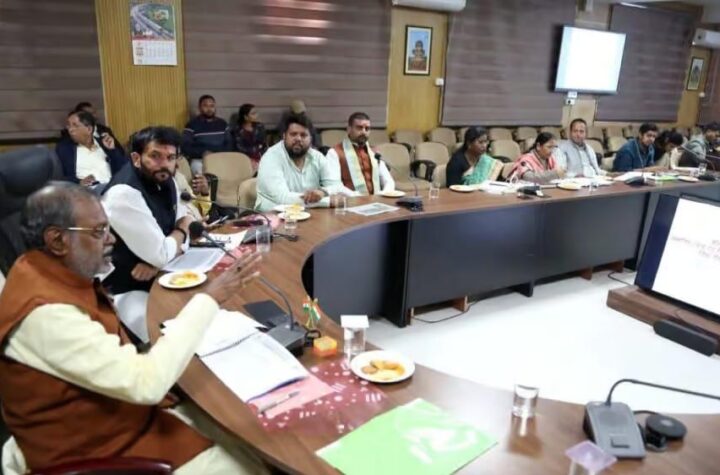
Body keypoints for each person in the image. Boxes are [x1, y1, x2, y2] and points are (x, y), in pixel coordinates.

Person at [0, 182, 266, 475]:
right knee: (257, 459)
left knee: (247, 427)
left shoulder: (36, 270)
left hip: (112, 416)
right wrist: (210, 298)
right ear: (58, 241)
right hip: (99, 451)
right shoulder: (46, 314)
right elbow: (146, 383)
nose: (111, 239)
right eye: (99, 231)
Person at [102, 126, 193, 340]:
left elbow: (185, 228)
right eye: (155, 156)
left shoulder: (167, 180)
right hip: (126, 287)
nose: (164, 164)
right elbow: (183, 228)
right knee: (174, 338)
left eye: (170, 157)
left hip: (162, 273)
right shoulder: (123, 194)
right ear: (136, 158)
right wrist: (179, 234)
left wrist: (158, 262)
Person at [255, 114, 343, 211]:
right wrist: (327, 201)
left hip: (309, 213)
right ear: (284, 136)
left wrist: (323, 192)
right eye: (293, 134)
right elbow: (282, 198)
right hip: (273, 215)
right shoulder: (271, 158)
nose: (298, 139)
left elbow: (337, 187)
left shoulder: (317, 157)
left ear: (310, 139)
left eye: (303, 135)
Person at [325, 112, 394, 195]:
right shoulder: (334, 153)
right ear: (349, 129)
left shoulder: (374, 152)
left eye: (367, 129)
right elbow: (334, 186)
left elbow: (388, 181)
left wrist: (383, 194)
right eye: (359, 128)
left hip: (376, 200)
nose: (364, 132)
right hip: (350, 200)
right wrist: (358, 197)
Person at [55, 110, 127, 191]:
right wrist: (79, 182)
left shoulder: (104, 144)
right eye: (68, 125)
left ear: (89, 129)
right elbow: (58, 177)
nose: (70, 129)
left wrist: (112, 150)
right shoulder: (64, 149)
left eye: (75, 125)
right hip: (87, 192)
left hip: (113, 187)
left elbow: (123, 169)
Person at [182, 95, 233, 160]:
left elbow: (229, 144)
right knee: (196, 165)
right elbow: (185, 146)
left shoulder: (223, 123)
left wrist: (218, 153)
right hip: (201, 159)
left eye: (212, 106)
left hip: (221, 157)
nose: (209, 109)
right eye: (205, 106)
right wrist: (202, 153)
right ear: (199, 108)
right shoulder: (191, 125)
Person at [233, 103, 267, 171]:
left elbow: (263, 144)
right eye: (253, 114)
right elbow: (240, 148)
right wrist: (249, 159)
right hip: (245, 159)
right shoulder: (238, 130)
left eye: (256, 113)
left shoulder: (260, 127)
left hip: (260, 157)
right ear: (246, 117)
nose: (256, 115)